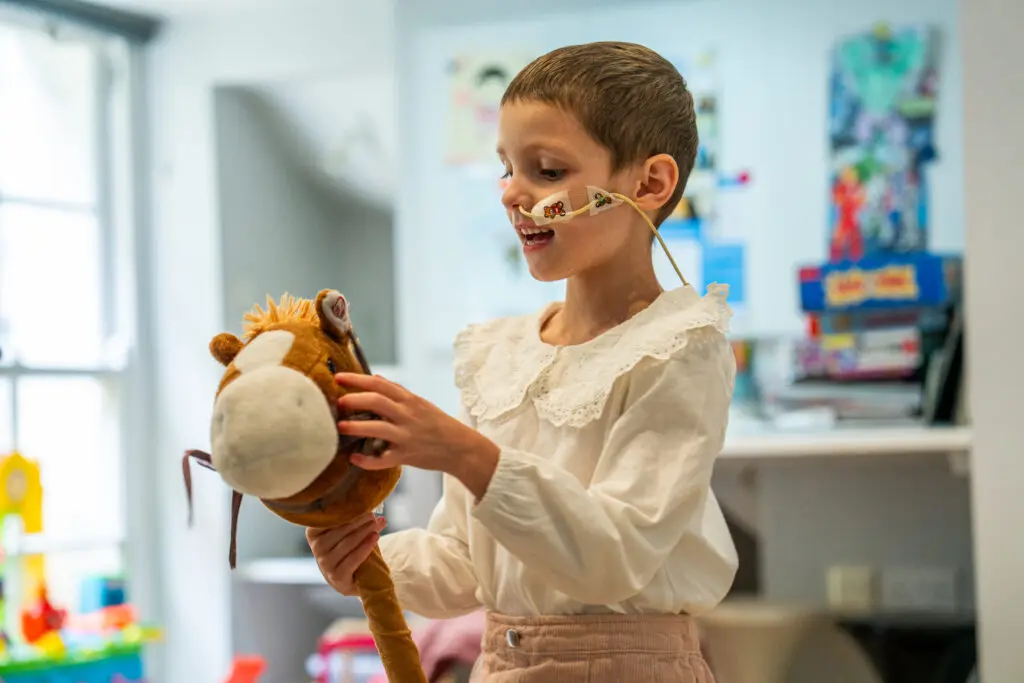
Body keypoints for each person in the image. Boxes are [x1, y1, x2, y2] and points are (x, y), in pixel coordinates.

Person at [307, 40, 737, 682]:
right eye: (507, 168)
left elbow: (613, 556)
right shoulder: (498, 357)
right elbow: (461, 566)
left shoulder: (679, 346)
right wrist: (365, 557)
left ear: (649, 183)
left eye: (549, 171)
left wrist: (462, 452)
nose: (513, 193)